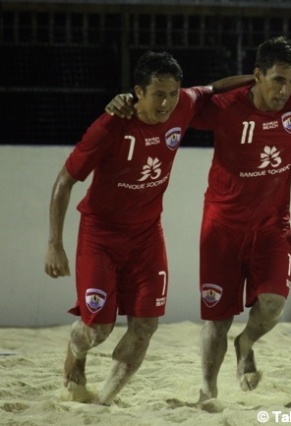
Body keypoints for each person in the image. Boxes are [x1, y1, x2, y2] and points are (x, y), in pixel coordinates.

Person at [44, 51, 214, 405]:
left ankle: (104, 402)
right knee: (98, 329)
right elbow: (64, 181)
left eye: (172, 93)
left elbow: (216, 89)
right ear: (138, 91)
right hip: (100, 236)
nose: (166, 103)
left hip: (147, 236)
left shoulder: (183, 104)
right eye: (158, 94)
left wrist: (258, 79)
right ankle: (75, 353)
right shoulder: (110, 126)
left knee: (147, 325)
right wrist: (54, 244)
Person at [185, 36, 291, 402]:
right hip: (222, 228)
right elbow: (186, 99)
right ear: (258, 75)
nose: (286, 90)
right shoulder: (226, 106)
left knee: (274, 304)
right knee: (217, 319)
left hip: (272, 226)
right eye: (278, 79)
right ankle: (207, 392)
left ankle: (245, 342)